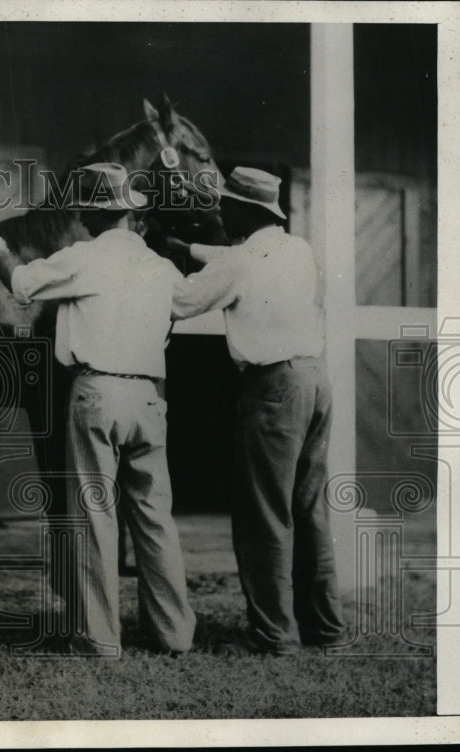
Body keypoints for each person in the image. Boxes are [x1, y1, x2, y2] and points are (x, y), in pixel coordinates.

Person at [0, 162, 196, 656]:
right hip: (148, 396)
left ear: (89, 215)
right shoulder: (159, 266)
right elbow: (187, 304)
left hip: (96, 394)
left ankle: (101, 638)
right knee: (155, 516)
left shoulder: (82, 257)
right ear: (129, 215)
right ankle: (174, 634)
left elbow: (21, 285)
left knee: (94, 515)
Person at [170, 166, 346, 655]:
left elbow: (182, 301)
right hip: (315, 378)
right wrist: (187, 250)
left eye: (226, 205)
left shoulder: (239, 262)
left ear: (247, 211)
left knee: (262, 516)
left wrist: (155, 264)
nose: (220, 213)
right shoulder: (296, 248)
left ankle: (275, 637)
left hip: (272, 388)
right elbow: (234, 258)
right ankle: (324, 629)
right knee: (309, 510)